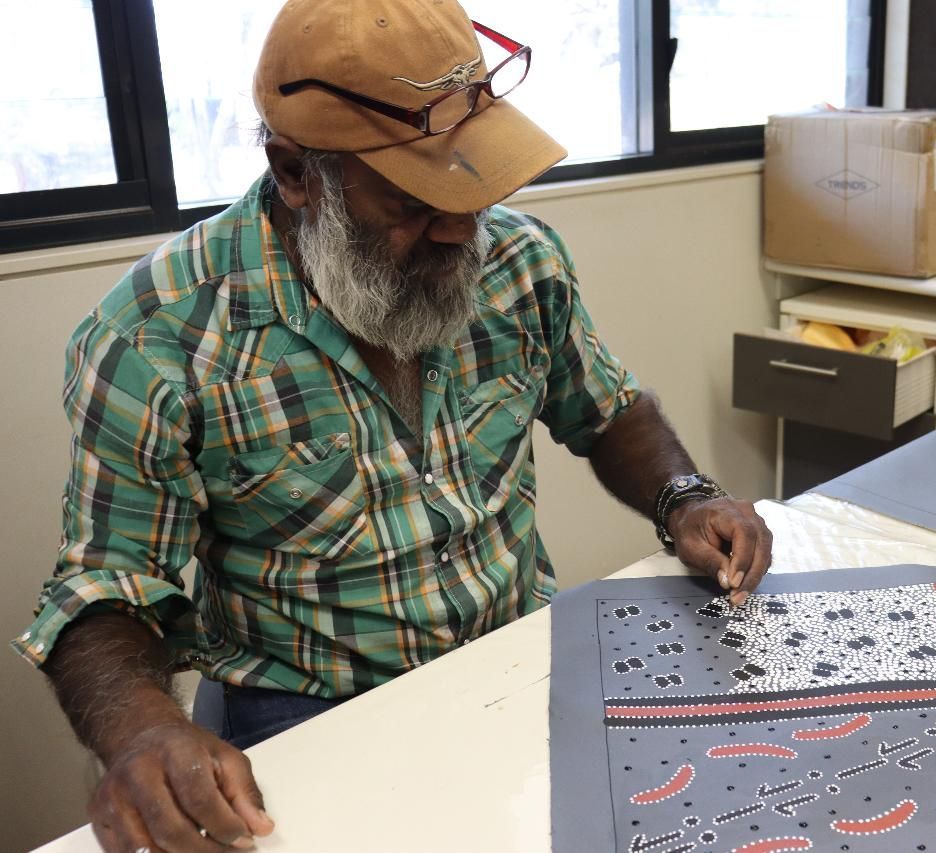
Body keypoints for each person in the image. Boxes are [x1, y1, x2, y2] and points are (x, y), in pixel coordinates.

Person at [10, 1, 774, 850]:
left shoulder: (520, 263)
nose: (458, 227)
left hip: (518, 654)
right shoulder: (161, 336)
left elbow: (607, 408)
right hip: (308, 707)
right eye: (414, 199)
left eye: (473, 188)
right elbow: (105, 588)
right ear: (296, 173)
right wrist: (141, 731)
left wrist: (684, 494)